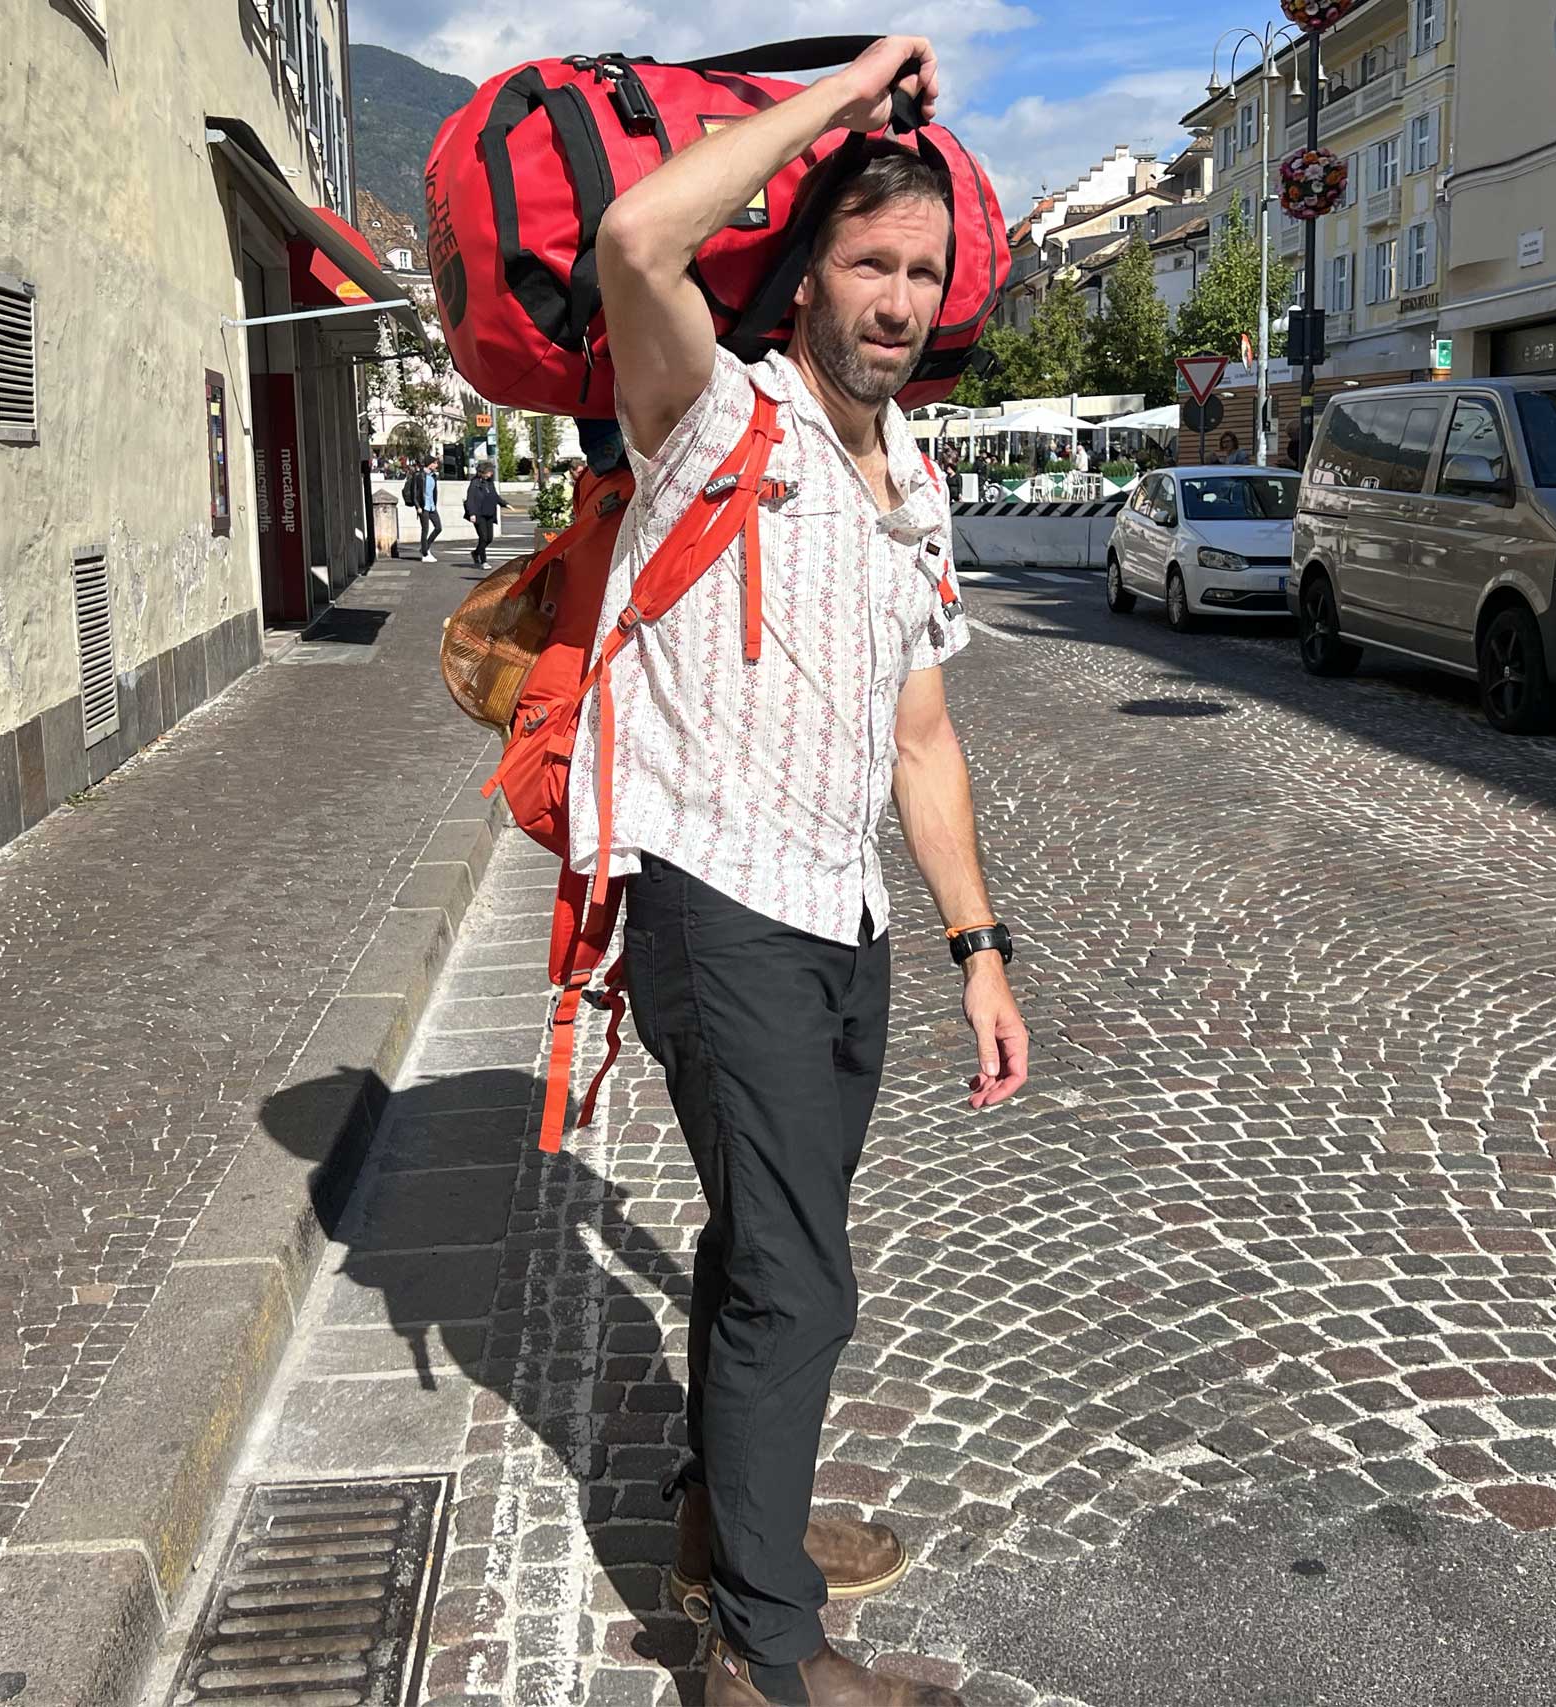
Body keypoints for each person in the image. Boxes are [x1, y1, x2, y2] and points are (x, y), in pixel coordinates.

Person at [593, 34, 1026, 1707]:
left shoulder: (911, 478)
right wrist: (848, 98)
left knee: (766, 1241)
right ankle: (768, 1659)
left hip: (841, 918)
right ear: (807, 274)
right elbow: (637, 240)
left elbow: (924, 741)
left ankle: (725, 1521)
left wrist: (978, 947)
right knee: (797, 1276)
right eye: (869, 260)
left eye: (923, 268)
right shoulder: (712, 411)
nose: (899, 295)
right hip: (717, 900)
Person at [463, 465, 501, 565]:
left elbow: (495, 496)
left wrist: (505, 503)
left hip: (489, 514)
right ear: (482, 472)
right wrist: (472, 513)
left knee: (489, 539)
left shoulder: (490, 482)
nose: (490, 474)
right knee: (483, 537)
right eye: (488, 472)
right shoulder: (475, 483)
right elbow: (470, 499)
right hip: (478, 515)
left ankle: (476, 553)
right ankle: (483, 561)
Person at [415, 456, 444, 562]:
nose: (436, 465)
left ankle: (425, 547)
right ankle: (425, 554)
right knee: (425, 530)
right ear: (429, 464)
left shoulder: (433, 476)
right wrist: (417, 506)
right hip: (423, 507)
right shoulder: (419, 475)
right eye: (435, 463)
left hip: (432, 506)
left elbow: (434, 492)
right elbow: (415, 493)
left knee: (438, 527)